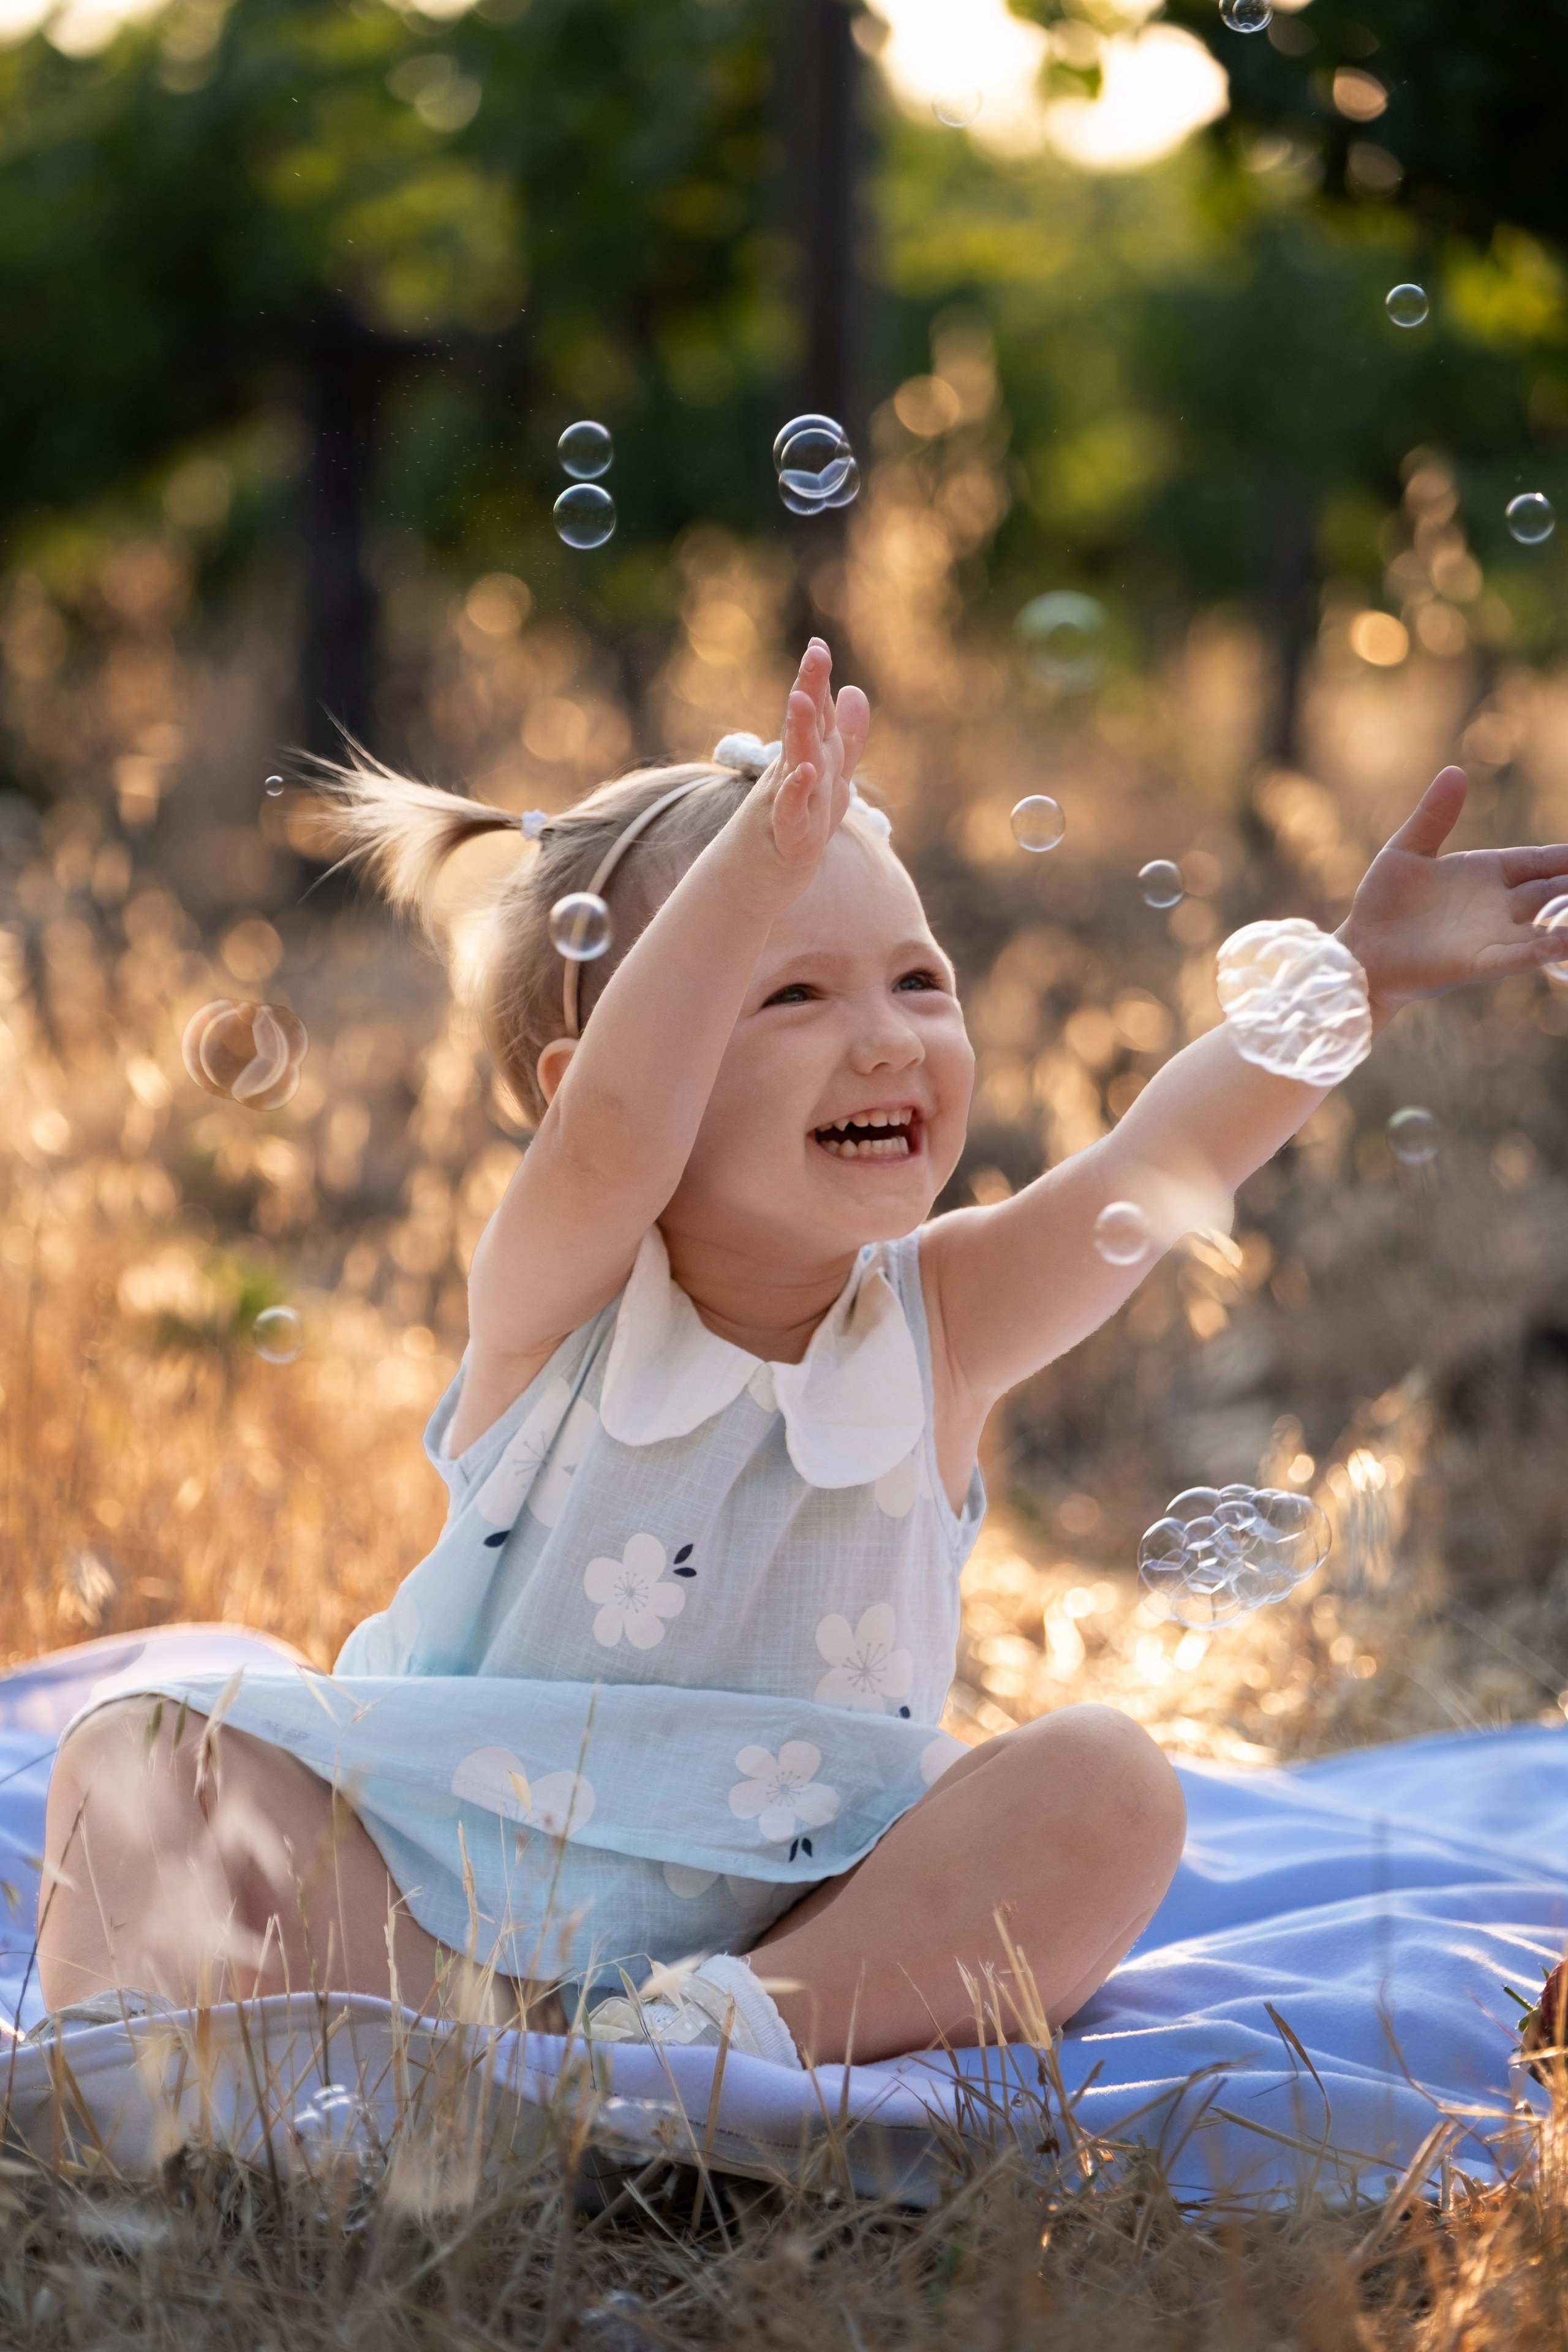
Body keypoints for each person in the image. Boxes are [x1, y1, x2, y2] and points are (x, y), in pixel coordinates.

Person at [37, 641, 1568, 2068]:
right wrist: (751, 863)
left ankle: (692, 2064)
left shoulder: (941, 1322)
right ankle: (446, 2064)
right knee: (145, 1757)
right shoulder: (563, 1297)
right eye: (789, 990)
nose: (890, 1038)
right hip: (447, 1883)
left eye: (917, 980)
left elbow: (1140, 1174)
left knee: (1111, 1786)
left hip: (799, 1920)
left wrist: (1347, 982)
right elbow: (617, 1134)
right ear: (588, 1077)